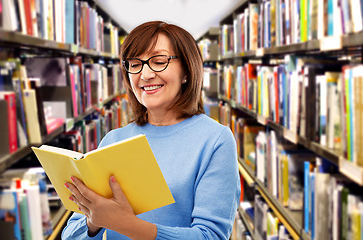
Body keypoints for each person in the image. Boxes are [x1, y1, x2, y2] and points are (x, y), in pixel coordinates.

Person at [62, 21, 240, 240]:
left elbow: (210, 236)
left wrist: (125, 224)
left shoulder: (215, 140)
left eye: (158, 61)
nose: (145, 75)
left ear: (187, 71)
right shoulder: (113, 140)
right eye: (135, 64)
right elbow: (70, 235)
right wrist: (93, 220)